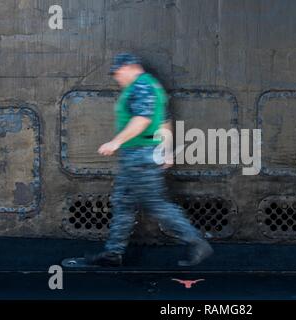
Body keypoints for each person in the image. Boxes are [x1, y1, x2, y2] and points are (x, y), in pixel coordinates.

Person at [81, 53, 213, 267]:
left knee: (156, 204)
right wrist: (166, 149)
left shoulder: (141, 85)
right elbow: (164, 121)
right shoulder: (152, 87)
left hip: (140, 155)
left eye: (118, 72)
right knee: (123, 202)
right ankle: (113, 252)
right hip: (138, 154)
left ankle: (196, 242)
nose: (117, 77)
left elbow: (142, 119)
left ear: (131, 67)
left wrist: (116, 141)